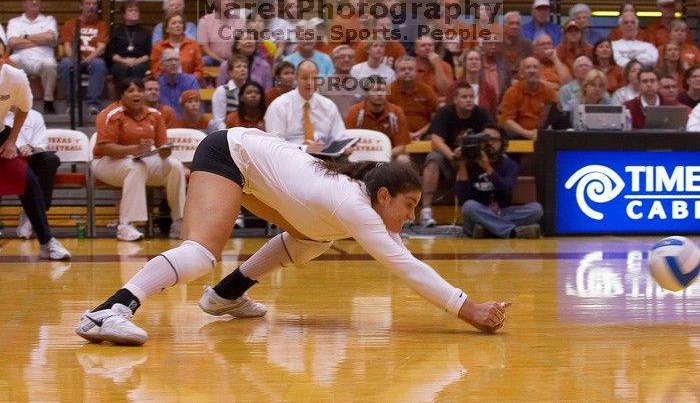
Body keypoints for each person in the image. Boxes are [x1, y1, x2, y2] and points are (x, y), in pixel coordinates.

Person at [75, 126, 513, 346]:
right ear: (383, 195)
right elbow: (405, 266)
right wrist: (468, 309)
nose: (412, 214)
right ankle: (108, 310)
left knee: (314, 238)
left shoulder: (354, 203)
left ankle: (224, 296)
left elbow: (402, 256)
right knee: (200, 254)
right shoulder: (353, 205)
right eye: (409, 204)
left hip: (253, 170)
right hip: (228, 151)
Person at [92, 78, 186, 241]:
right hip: (105, 162)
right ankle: (126, 225)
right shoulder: (110, 114)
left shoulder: (154, 115)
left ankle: (179, 223)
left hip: (141, 160)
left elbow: (162, 145)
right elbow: (104, 147)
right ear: (121, 95)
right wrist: (134, 149)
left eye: (139, 90)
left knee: (175, 166)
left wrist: (165, 153)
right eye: (131, 91)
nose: (136, 94)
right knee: (135, 166)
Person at [0, 62, 70, 260]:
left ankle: (46, 242)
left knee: (28, 182)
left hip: (1, 136)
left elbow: (24, 108)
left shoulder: (14, 76)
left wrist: (12, 141)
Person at [418, 83, 493, 227]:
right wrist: (453, 155)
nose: (469, 100)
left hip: (475, 160)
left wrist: (476, 151)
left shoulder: (482, 114)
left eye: (471, 96)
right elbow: (435, 141)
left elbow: (491, 138)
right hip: (450, 159)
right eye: (464, 97)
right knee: (433, 158)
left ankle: (487, 209)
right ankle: (426, 210)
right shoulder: (445, 113)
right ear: (455, 99)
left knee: (493, 159)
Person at [456, 124, 543, 239]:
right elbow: (463, 200)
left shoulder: (510, 165)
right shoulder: (469, 162)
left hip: (502, 212)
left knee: (536, 209)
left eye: (494, 140)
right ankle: (512, 232)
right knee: (469, 207)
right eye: (485, 140)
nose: (490, 143)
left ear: (502, 143)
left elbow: (506, 193)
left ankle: (488, 231)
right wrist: (461, 164)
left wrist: (488, 168)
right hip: (479, 212)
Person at [3, 105, 61, 239]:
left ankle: (32, 215)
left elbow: (41, 143)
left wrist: (30, 147)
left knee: (51, 159)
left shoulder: (35, 115)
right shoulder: (1, 115)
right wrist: (16, 148)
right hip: (7, 159)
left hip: (31, 157)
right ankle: (33, 212)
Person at [264, 60, 346, 154]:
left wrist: (344, 149)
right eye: (305, 78)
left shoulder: (328, 106)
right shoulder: (279, 105)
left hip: (324, 159)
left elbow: (339, 138)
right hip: (289, 159)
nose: (310, 83)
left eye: (314, 78)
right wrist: (305, 149)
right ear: (296, 78)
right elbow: (275, 144)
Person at [6, 0, 58, 114]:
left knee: (50, 64)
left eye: (37, 0)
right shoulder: (15, 22)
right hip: (22, 60)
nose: (34, 2)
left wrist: (25, 37)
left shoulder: (49, 20)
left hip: (43, 60)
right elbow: (12, 42)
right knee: (11, 60)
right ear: (24, 3)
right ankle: (13, 101)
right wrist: (41, 39)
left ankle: (48, 102)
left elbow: (50, 38)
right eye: (31, 0)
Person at [58, 0, 109, 115]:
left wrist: (89, 58)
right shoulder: (70, 24)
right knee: (65, 64)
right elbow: (67, 45)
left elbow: (101, 47)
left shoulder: (101, 25)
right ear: (81, 6)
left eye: (94, 4)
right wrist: (74, 58)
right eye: (87, 3)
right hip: (75, 57)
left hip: (93, 59)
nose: (91, 7)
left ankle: (93, 104)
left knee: (99, 64)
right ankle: (72, 103)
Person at [344, 75, 411, 161]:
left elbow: (401, 146)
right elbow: (348, 144)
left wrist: (381, 156)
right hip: (361, 156)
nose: (379, 94)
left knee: (403, 159)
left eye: (382, 90)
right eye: (375, 90)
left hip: (389, 156)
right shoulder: (355, 112)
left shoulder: (396, 112)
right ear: (366, 94)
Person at [500, 57, 558, 140]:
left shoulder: (548, 92)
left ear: (540, 72)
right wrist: (529, 134)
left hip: (541, 134)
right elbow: (508, 121)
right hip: (518, 135)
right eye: (528, 67)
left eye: (535, 67)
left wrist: (539, 133)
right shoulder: (512, 92)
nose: (532, 71)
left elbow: (551, 117)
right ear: (521, 73)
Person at [387, 55, 439, 140]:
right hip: (395, 134)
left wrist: (419, 133)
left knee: (435, 139)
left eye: (410, 69)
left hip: (424, 135)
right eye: (403, 69)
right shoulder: (388, 90)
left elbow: (436, 118)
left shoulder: (426, 90)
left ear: (416, 71)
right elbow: (384, 118)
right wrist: (404, 133)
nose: (407, 72)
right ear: (396, 72)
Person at [197, 0, 245, 67]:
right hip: (212, 59)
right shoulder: (205, 21)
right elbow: (204, 48)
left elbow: (242, 45)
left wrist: (232, 60)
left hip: (234, 59)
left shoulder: (241, 21)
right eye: (223, 0)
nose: (227, 2)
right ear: (216, 3)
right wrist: (221, 61)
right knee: (204, 61)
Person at [107, 0, 151, 85]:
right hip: (121, 61)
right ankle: (122, 96)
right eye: (130, 10)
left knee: (138, 68)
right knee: (121, 68)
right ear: (124, 14)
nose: (134, 13)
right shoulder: (117, 32)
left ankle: (137, 94)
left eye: (136, 11)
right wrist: (124, 61)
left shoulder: (145, 32)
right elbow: (111, 54)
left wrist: (137, 61)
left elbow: (148, 54)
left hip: (140, 61)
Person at [150, 13, 204, 81]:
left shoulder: (193, 45)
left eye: (180, 23)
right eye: (174, 23)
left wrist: (189, 80)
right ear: (167, 29)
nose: (178, 25)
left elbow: (199, 70)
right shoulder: (158, 47)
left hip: (189, 83)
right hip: (166, 84)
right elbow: (156, 71)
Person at [209, 53, 248, 132]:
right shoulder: (221, 91)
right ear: (230, 72)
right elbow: (218, 121)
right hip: (226, 132)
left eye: (245, 66)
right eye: (238, 66)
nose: (243, 69)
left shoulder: (250, 90)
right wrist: (231, 134)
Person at [156, 48, 200, 117]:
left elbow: (196, 108)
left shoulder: (190, 81)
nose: (173, 63)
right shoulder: (157, 84)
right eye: (169, 60)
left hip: (186, 123)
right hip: (164, 123)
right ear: (161, 65)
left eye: (176, 60)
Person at [497, 11, 532, 76]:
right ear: (504, 27)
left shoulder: (527, 45)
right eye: (511, 23)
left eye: (517, 24)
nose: (515, 27)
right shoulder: (496, 44)